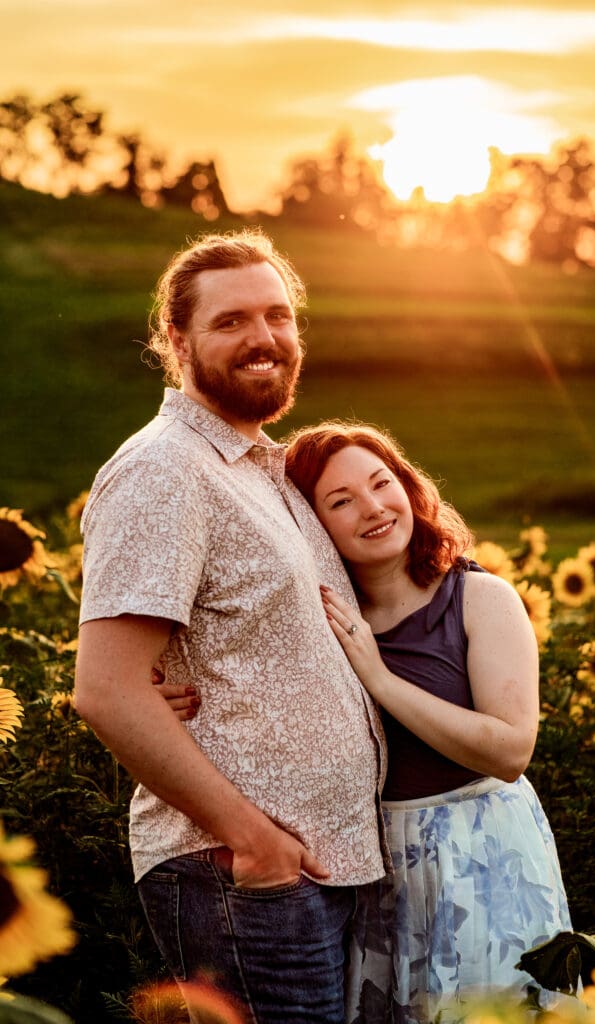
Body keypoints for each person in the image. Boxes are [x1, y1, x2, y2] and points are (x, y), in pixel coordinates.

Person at [73, 231, 390, 1024]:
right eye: (231, 322)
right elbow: (108, 689)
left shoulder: (266, 470)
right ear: (175, 341)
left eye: (278, 316)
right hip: (240, 873)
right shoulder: (164, 470)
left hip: (318, 867)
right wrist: (251, 842)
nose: (264, 339)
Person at [169, 421, 572, 1023]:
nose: (374, 508)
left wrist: (380, 678)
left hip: (482, 852)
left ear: (408, 488)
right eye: (340, 501)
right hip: (369, 863)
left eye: (382, 483)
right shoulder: (314, 620)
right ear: (310, 525)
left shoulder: (478, 598)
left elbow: (510, 750)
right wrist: (174, 688)